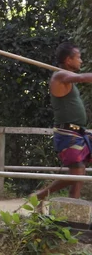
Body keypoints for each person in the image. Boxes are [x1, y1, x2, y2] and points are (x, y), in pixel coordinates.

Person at [30, 42, 92, 201]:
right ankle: (41, 195)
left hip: (78, 132)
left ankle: (74, 204)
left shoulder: (67, 78)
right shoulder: (60, 76)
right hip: (67, 133)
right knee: (77, 173)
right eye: (78, 57)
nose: (81, 61)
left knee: (80, 172)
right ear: (68, 60)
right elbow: (83, 77)